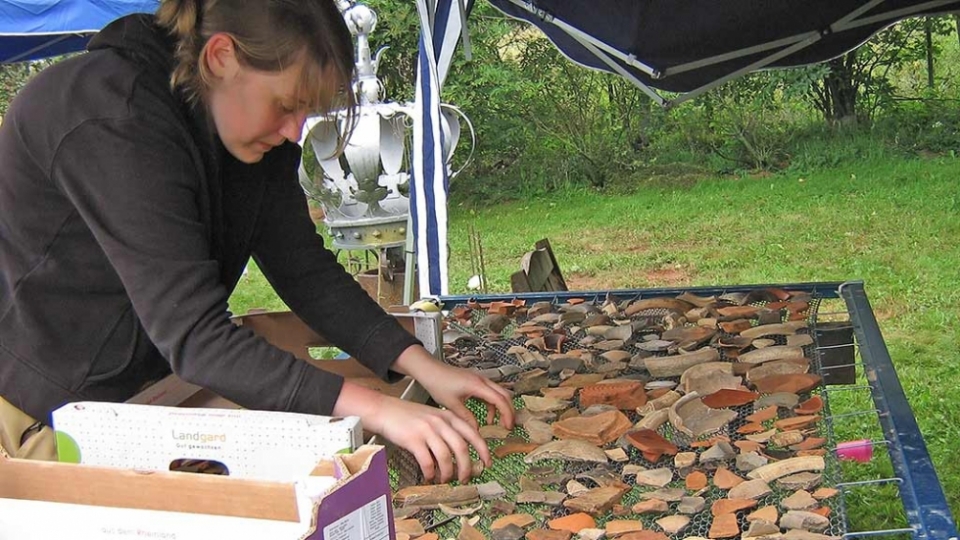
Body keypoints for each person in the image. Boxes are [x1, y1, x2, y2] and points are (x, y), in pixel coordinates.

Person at [0, 0, 514, 483]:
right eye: (287, 106)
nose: (294, 133)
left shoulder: (242, 122)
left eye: (306, 113)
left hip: (139, 402)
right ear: (221, 56)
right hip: (34, 416)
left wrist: (420, 364)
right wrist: (379, 408)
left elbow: (302, 267)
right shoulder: (113, 115)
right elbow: (197, 336)